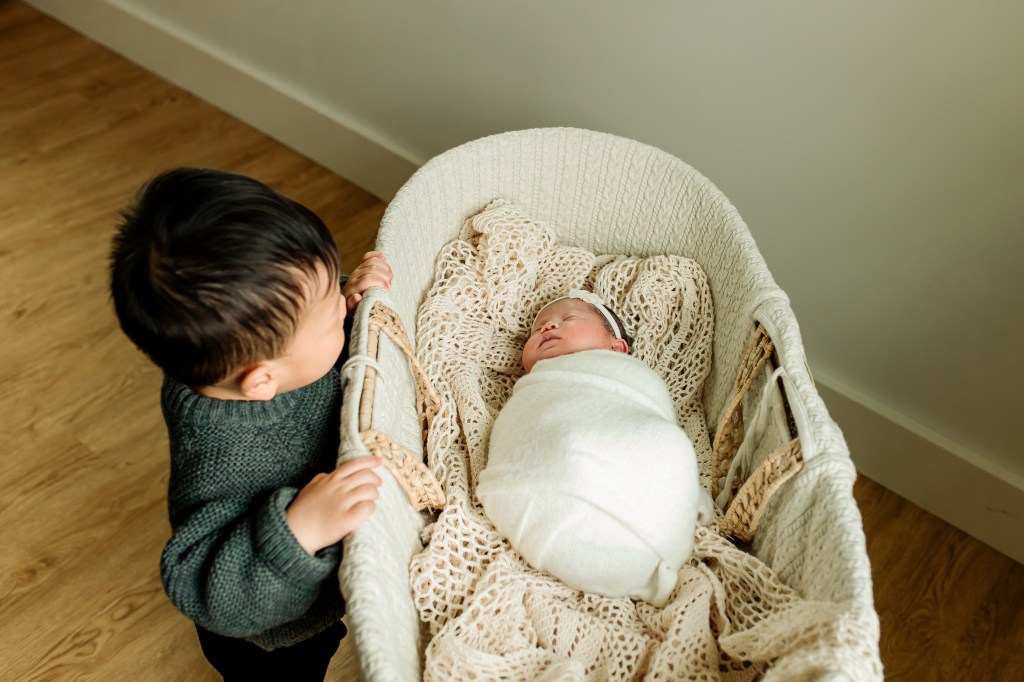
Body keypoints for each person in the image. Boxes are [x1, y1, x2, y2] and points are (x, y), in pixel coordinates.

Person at [109, 167, 393, 680]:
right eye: (330, 314)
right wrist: (298, 530)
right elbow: (204, 590)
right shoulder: (220, 457)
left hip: (316, 587)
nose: (340, 303)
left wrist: (349, 302)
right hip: (270, 635)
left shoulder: (243, 361)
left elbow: (302, 334)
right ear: (261, 381)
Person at [477, 290, 713, 607]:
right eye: (537, 329)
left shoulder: (623, 372)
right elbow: (528, 425)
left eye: (569, 318)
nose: (547, 327)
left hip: (628, 455)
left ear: (617, 348)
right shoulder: (537, 386)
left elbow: (648, 413)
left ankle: (659, 525)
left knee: (667, 445)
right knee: (569, 448)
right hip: (555, 469)